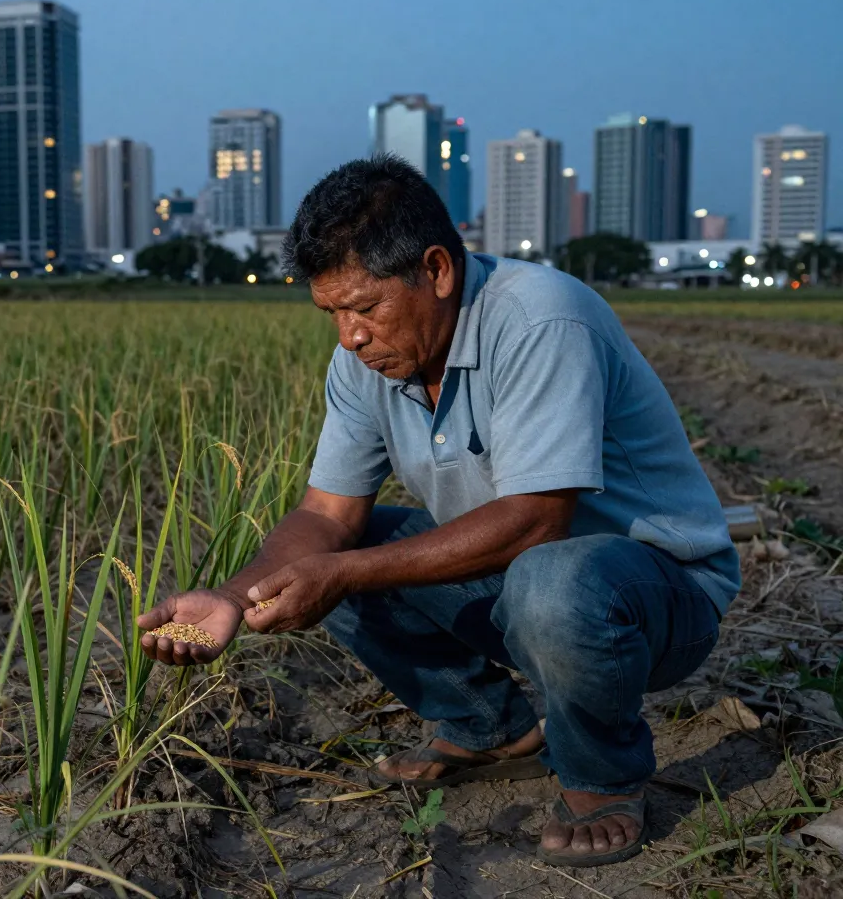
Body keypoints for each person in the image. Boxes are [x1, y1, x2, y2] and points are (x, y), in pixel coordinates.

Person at [138, 154, 740, 868]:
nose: (349, 336)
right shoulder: (363, 364)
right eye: (332, 313)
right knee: (338, 555)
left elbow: (538, 521)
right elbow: (326, 515)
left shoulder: (539, 319)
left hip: (653, 596)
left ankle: (601, 778)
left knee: (532, 578)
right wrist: (235, 597)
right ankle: (487, 727)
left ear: (437, 270)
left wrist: (341, 572)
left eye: (365, 308)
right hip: (523, 584)